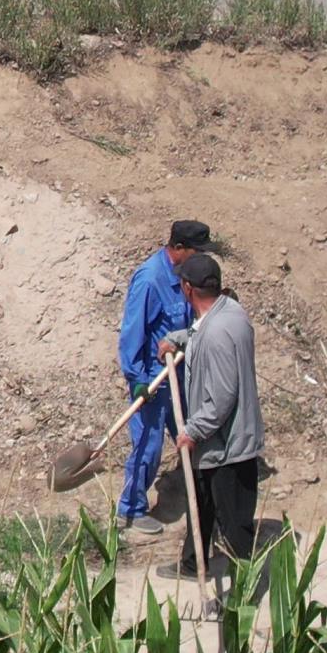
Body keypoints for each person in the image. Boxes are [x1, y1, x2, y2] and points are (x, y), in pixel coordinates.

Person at [159, 252, 266, 590]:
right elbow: (198, 334)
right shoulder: (230, 312)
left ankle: (247, 585)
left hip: (228, 446)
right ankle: (194, 562)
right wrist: (176, 340)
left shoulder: (218, 333)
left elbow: (222, 397)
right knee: (201, 502)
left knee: (234, 523)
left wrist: (192, 430)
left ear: (188, 289)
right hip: (218, 444)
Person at [113, 220, 212, 536]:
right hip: (152, 381)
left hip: (180, 373)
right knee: (149, 444)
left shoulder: (186, 277)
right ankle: (130, 509)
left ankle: (201, 492)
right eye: (197, 252)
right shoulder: (150, 279)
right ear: (179, 248)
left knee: (194, 432)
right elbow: (132, 333)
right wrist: (136, 377)